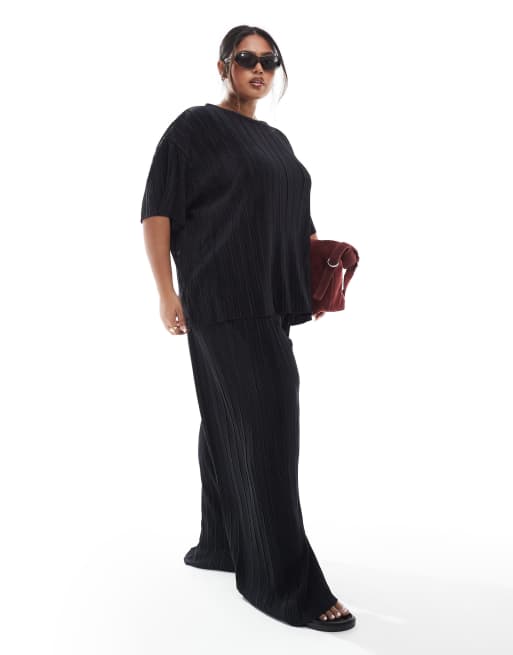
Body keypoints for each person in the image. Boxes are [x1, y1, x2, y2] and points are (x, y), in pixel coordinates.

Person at [140, 24, 356, 632]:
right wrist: (166, 292)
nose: (259, 69)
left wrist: (308, 280)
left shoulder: (276, 140)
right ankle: (284, 584)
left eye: (269, 61)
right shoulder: (193, 128)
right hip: (221, 297)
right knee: (269, 429)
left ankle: (222, 544)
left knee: (230, 416)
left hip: (269, 301)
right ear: (223, 66)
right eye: (246, 59)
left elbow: (295, 219)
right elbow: (157, 211)